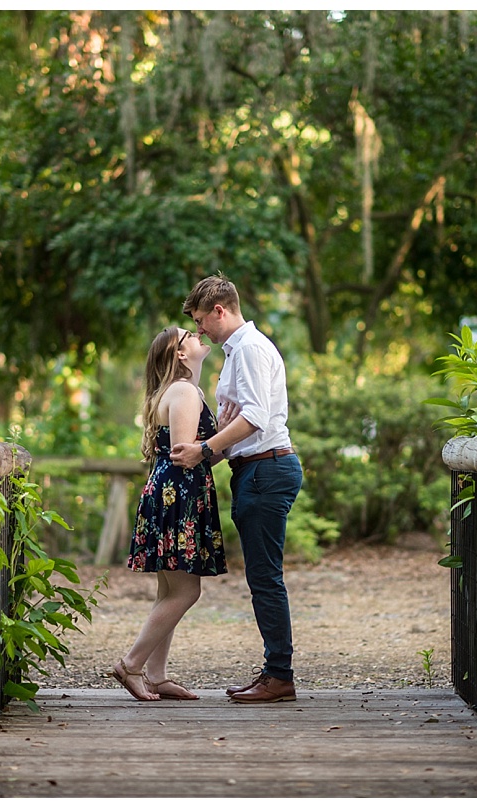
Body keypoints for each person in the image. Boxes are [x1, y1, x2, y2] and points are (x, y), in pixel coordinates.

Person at [171, 275, 303, 704]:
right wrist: (212, 452)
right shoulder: (240, 350)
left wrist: (205, 447)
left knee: (265, 579)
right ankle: (273, 670)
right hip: (255, 468)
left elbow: (257, 418)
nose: (199, 330)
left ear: (219, 311)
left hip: (266, 471)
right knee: (263, 577)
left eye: (199, 320)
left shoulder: (246, 349)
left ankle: (279, 676)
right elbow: (241, 426)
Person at [111, 325, 228, 701]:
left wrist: (217, 438)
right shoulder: (184, 391)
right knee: (186, 590)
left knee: (168, 589)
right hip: (180, 494)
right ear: (180, 354)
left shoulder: (178, 391)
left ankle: (158, 676)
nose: (198, 336)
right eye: (189, 335)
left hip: (170, 491)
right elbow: (185, 453)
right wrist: (224, 439)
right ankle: (131, 664)